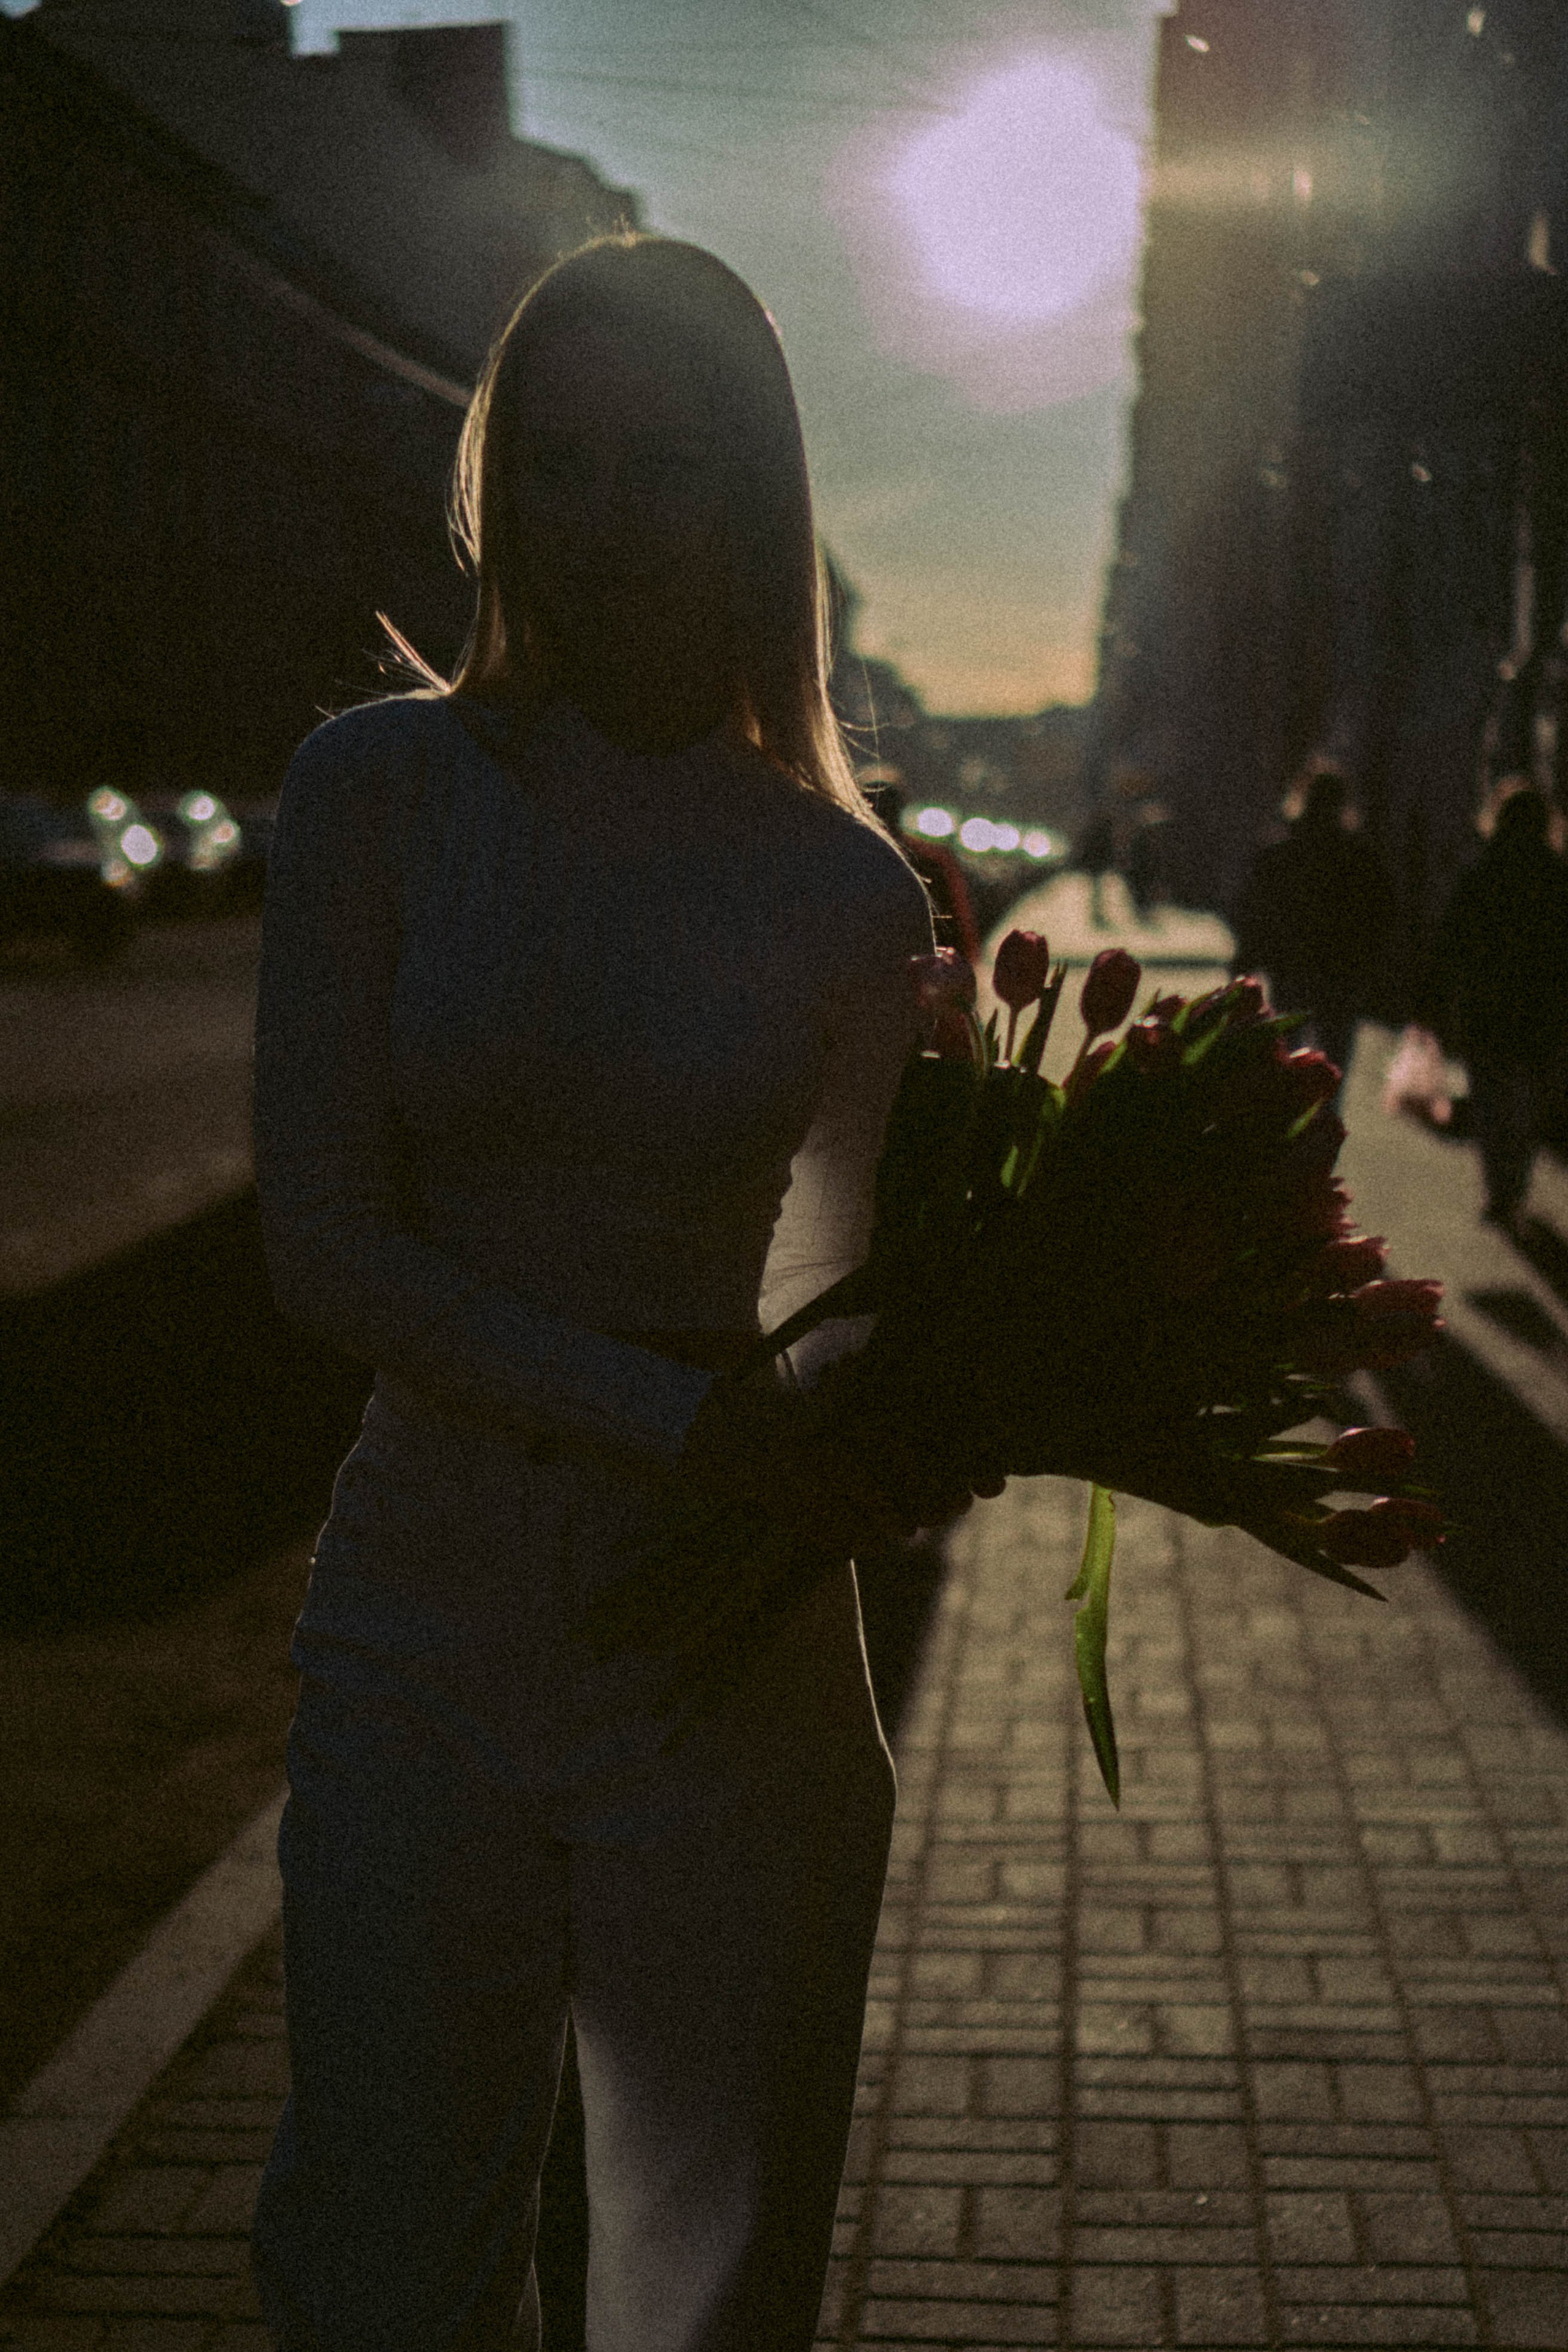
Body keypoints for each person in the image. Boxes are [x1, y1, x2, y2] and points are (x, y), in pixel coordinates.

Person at [249, 234, 999, 2352]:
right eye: (553, 461)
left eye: (658, 466)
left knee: (708, 2288)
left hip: (739, 1673)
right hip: (422, 1639)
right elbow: (327, 1250)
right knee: (373, 2268)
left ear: (757, 497)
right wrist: (698, 1423)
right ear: (497, 482)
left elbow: (846, 1307)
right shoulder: (378, 792)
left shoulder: (848, 893)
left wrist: (934, 1423)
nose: (597, 516)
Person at [1434, 785, 1568, 1231]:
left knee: (1492, 1098)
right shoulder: (1556, 876)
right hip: (1543, 1007)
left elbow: (1451, 939)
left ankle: (1499, 1188)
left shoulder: (1481, 872)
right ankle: (1516, 1187)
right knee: (1530, 1100)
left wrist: (1433, 997)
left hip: (1487, 1003)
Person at [1229, 765, 1394, 1088]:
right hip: (1341, 973)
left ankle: (1292, 1121)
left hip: (1291, 969)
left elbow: (1253, 911)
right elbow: (1380, 916)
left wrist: (1245, 962)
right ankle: (1324, 1124)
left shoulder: (1280, 853)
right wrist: (1372, 966)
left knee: (1286, 1056)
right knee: (1332, 1065)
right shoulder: (1360, 858)